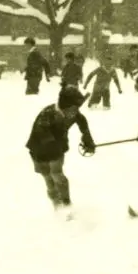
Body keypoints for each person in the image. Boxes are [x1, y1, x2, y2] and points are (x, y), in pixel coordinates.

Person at [25, 86, 96, 217]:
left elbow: (82, 122)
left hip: (57, 147)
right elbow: (42, 135)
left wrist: (87, 138)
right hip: (39, 149)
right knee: (48, 177)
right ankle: (56, 204)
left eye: (77, 108)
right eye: (74, 108)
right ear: (65, 106)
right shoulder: (47, 114)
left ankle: (67, 204)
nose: (76, 112)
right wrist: (56, 146)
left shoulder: (73, 112)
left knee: (57, 174)